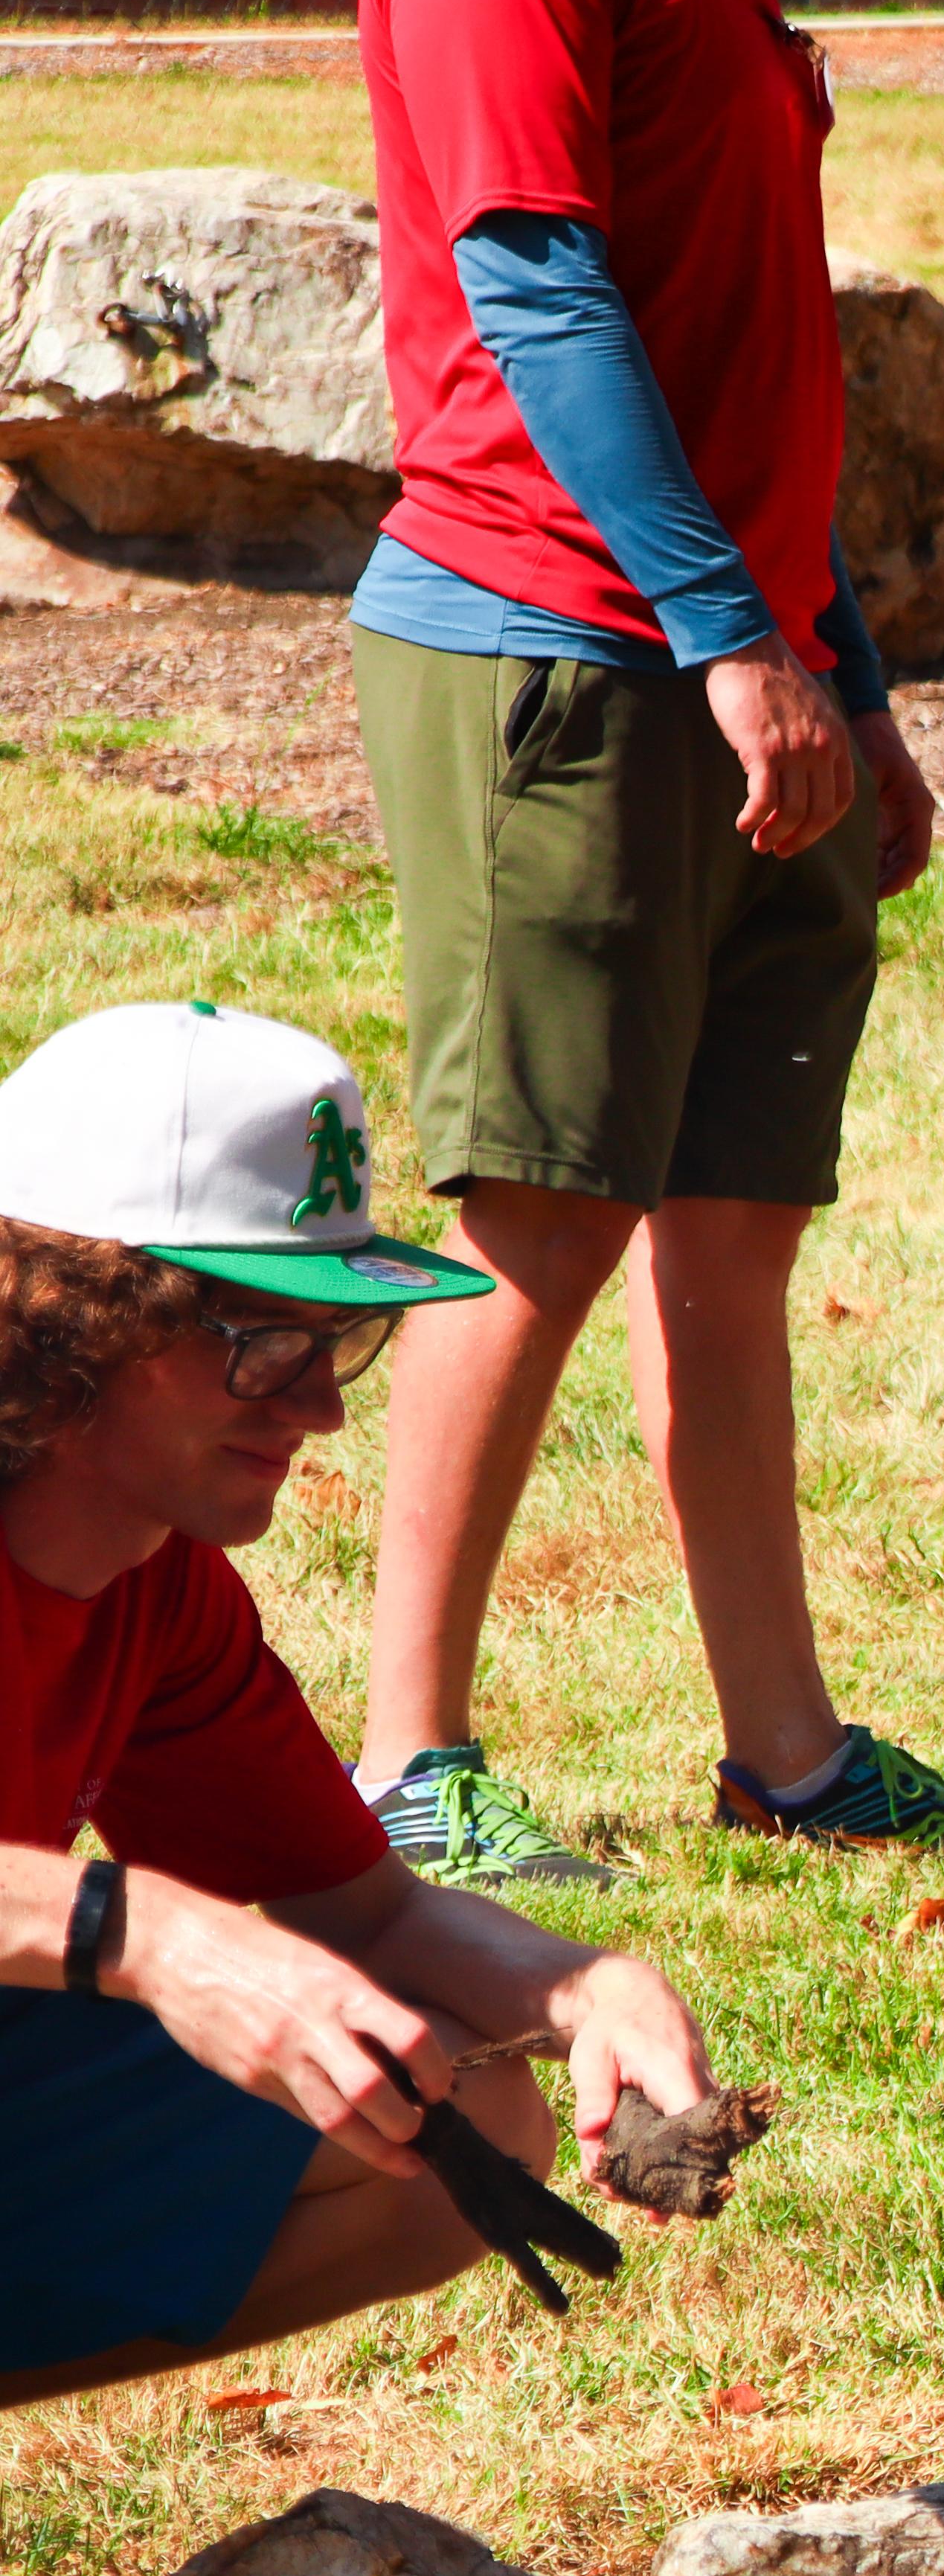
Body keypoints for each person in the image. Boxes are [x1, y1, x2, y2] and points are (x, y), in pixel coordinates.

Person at [352, 0, 944, 1870]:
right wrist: (731, 637)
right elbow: (536, 278)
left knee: (730, 1221)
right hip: (560, 647)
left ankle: (792, 1757)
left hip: (753, 663)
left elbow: (756, 356)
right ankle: (410, 1769)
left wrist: (854, 680)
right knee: (540, 1206)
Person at [1, 1006, 718, 2410]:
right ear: (78, 1315)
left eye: (342, 1344)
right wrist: (150, 1936)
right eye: (268, 1343)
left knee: (459, 2120)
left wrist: (588, 1990)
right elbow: (166, 1937)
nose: (320, 1410)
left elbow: (368, 1916)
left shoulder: (160, 1583)